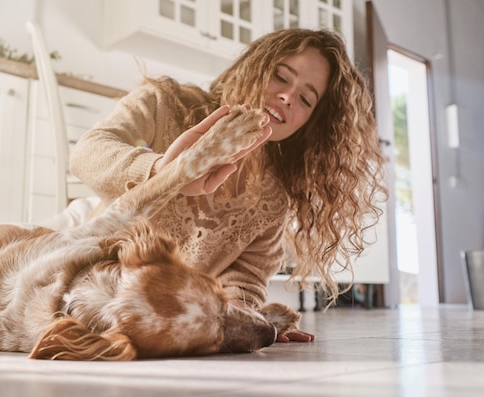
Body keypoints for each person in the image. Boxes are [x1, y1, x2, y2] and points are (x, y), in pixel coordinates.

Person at [67, 29, 386, 342]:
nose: (288, 96)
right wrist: (165, 172)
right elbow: (86, 153)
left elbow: (246, 276)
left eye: (305, 98)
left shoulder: (274, 199)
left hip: (145, 298)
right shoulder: (164, 103)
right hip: (82, 238)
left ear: (311, 123)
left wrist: (240, 316)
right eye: (280, 76)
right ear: (254, 67)